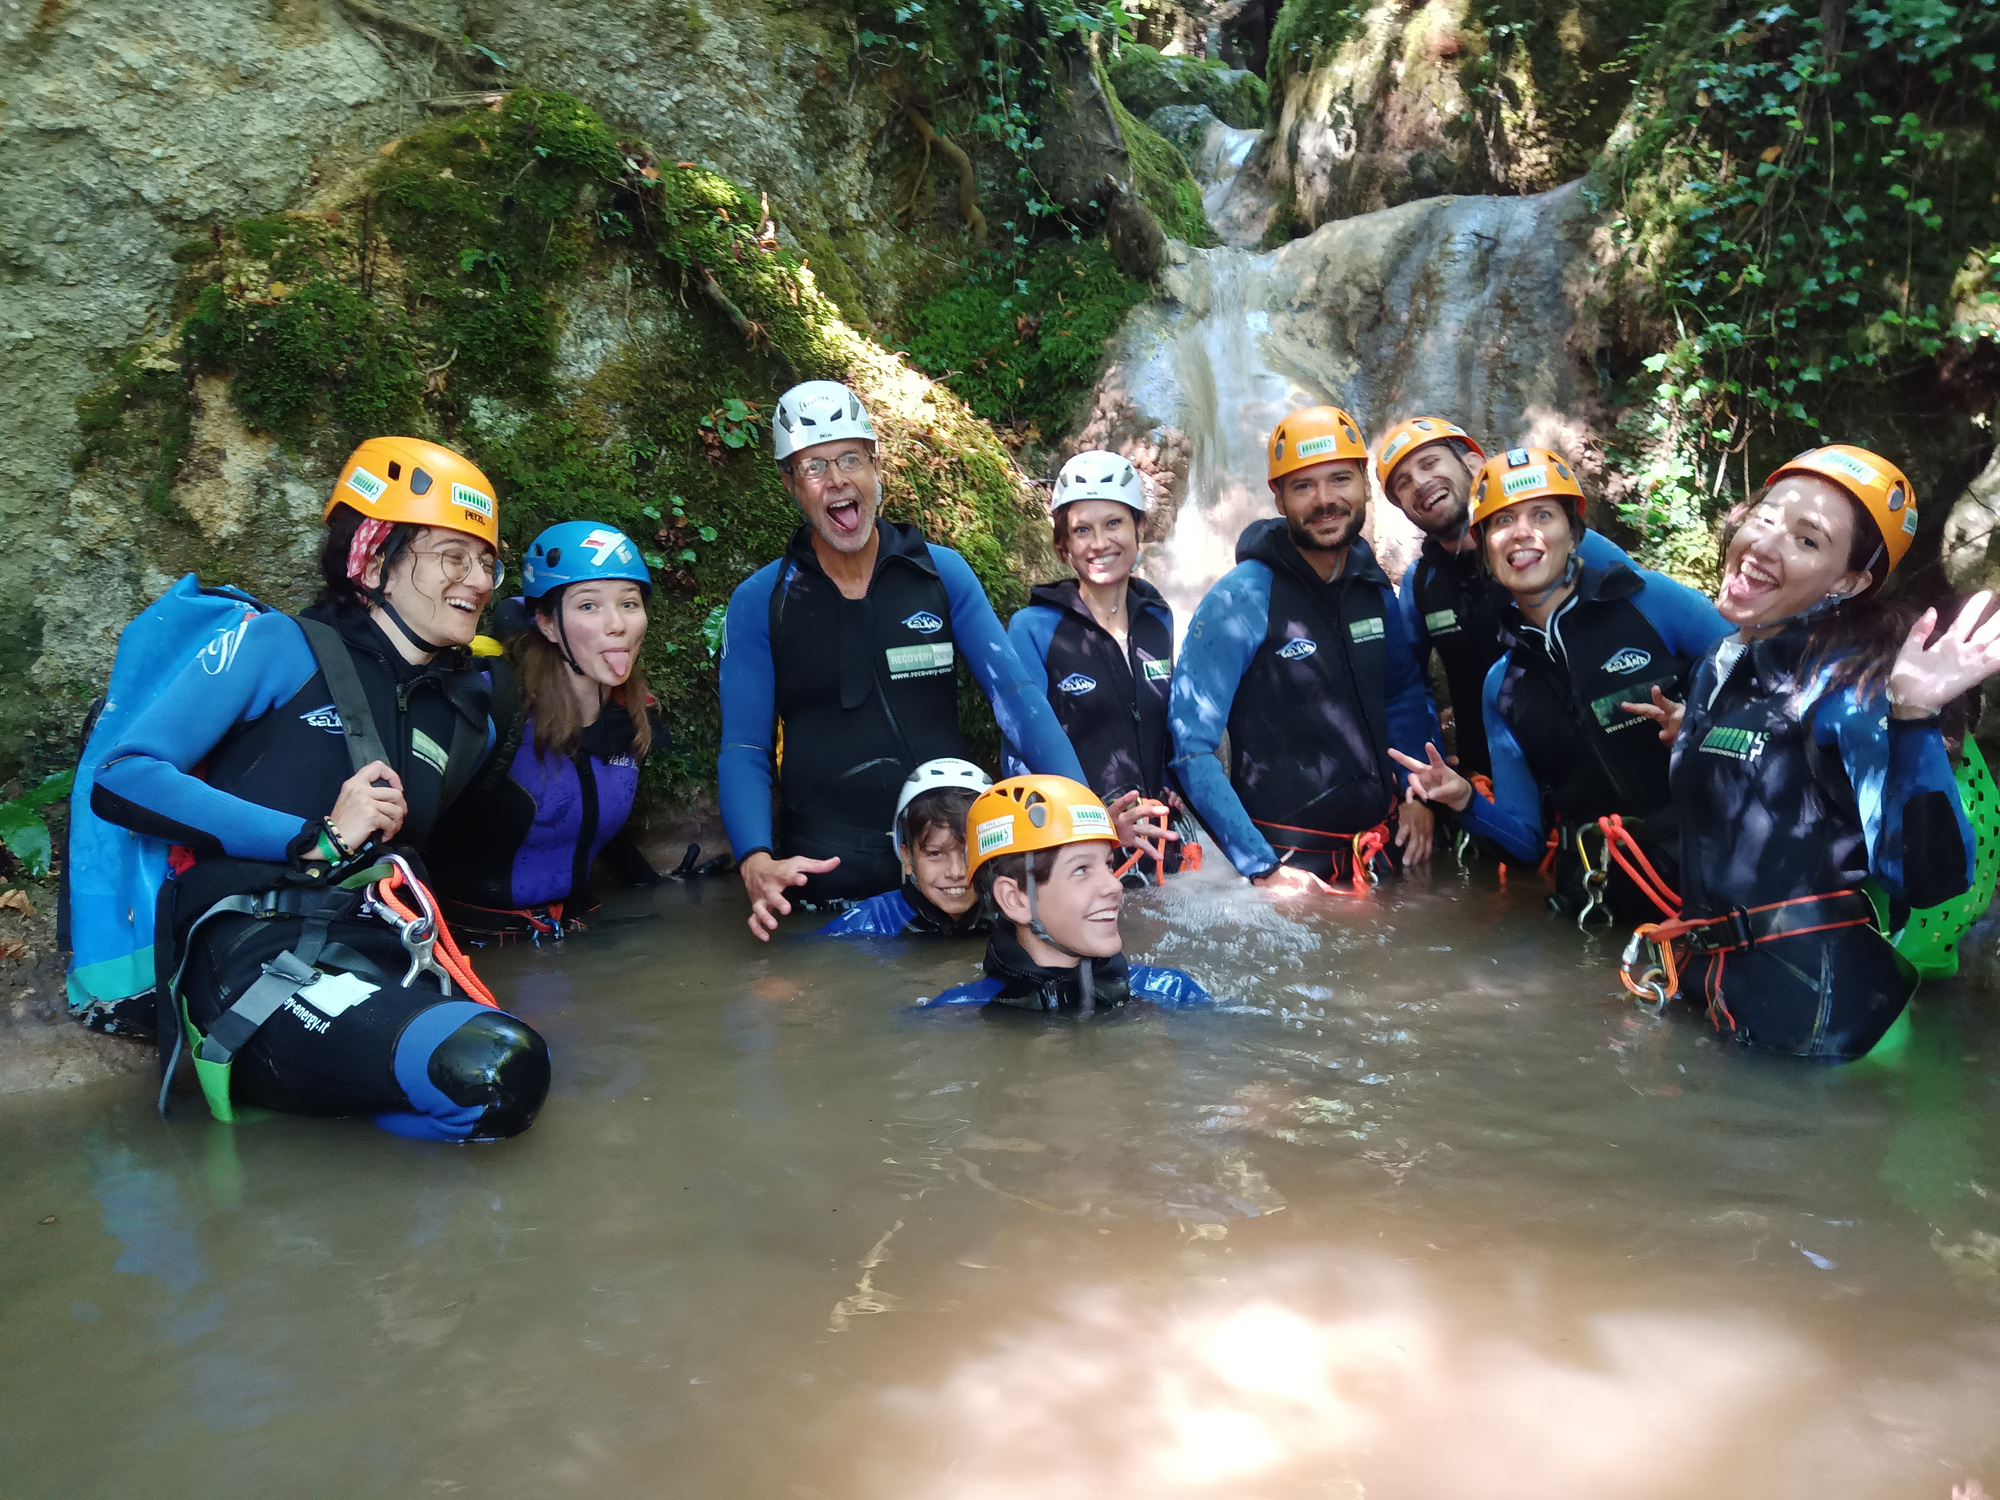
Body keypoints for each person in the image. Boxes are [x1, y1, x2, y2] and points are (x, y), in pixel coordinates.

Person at [90, 437, 551, 1141]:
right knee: (494, 1069)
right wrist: (313, 836)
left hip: (380, 960)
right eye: (452, 556)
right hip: (255, 960)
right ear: (373, 555)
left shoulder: (460, 714)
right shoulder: (277, 645)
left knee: (517, 1068)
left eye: (487, 559)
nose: (480, 579)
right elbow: (125, 778)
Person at [1639, 445, 1994, 1057]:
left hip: (1820, 1024)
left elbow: (1927, 880)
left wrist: (1913, 715)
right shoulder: (1721, 666)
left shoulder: (1852, 692)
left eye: (1808, 541)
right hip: (1718, 985)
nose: (1766, 544)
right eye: (1766, 517)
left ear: (1849, 582)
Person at [717, 379, 1090, 938]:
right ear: (790, 483)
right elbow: (745, 748)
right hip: (826, 882)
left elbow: (1015, 698)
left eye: (849, 458)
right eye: (814, 467)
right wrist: (754, 859)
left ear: (875, 465)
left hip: (957, 871)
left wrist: (1082, 819)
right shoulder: (759, 602)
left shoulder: (941, 574)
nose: (837, 479)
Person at [1391, 446, 1729, 922]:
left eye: (1543, 515)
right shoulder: (1502, 684)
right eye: (1503, 521)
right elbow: (1526, 844)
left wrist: (1703, 725)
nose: (1523, 533)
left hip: (1721, 878)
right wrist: (1465, 800)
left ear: (1575, 534)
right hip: (1610, 906)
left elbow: (1768, 678)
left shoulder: (1651, 603)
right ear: (1485, 547)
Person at [1169, 404, 1441, 892]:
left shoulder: (1373, 589)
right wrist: (1261, 869)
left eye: (1339, 479)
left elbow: (1402, 694)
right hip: (1288, 873)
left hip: (1382, 854)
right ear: (1278, 498)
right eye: (1303, 486)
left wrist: (1418, 795)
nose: (1325, 500)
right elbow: (1191, 748)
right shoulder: (1240, 598)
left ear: (1364, 483)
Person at [429, 521, 667, 943]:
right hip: (475, 945)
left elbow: (588, 811)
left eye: (629, 604)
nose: (618, 625)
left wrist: (652, 888)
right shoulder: (493, 708)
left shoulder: (632, 712)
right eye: (589, 606)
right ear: (548, 624)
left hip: (574, 929)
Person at [1376, 417, 1626, 783]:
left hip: (1594, 771)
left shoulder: (1557, 545)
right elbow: (1406, 685)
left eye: (1429, 463)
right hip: (1490, 783)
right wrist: (1422, 767)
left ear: (1474, 466)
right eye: (1404, 483)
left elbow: (1642, 608)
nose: (1420, 483)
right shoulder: (1421, 583)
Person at [1006, 449, 1180, 877]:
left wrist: (1175, 787)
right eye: (1082, 530)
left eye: (1114, 523)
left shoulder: (1158, 620)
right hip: (1078, 860)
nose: (1100, 543)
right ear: (1063, 546)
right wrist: (1097, 823)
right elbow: (1019, 760)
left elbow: (1165, 727)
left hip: (1162, 854)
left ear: (1140, 528)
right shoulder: (1033, 629)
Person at [926, 776, 1210, 1011]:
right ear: (1015, 899)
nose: (1114, 885)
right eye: (1081, 869)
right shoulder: (952, 1015)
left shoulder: (1172, 991)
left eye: (1108, 865)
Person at [820, 758, 994, 937]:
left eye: (969, 852)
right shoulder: (866, 924)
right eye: (935, 853)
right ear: (907, 858)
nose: (956, 872)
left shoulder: (1012, 915)